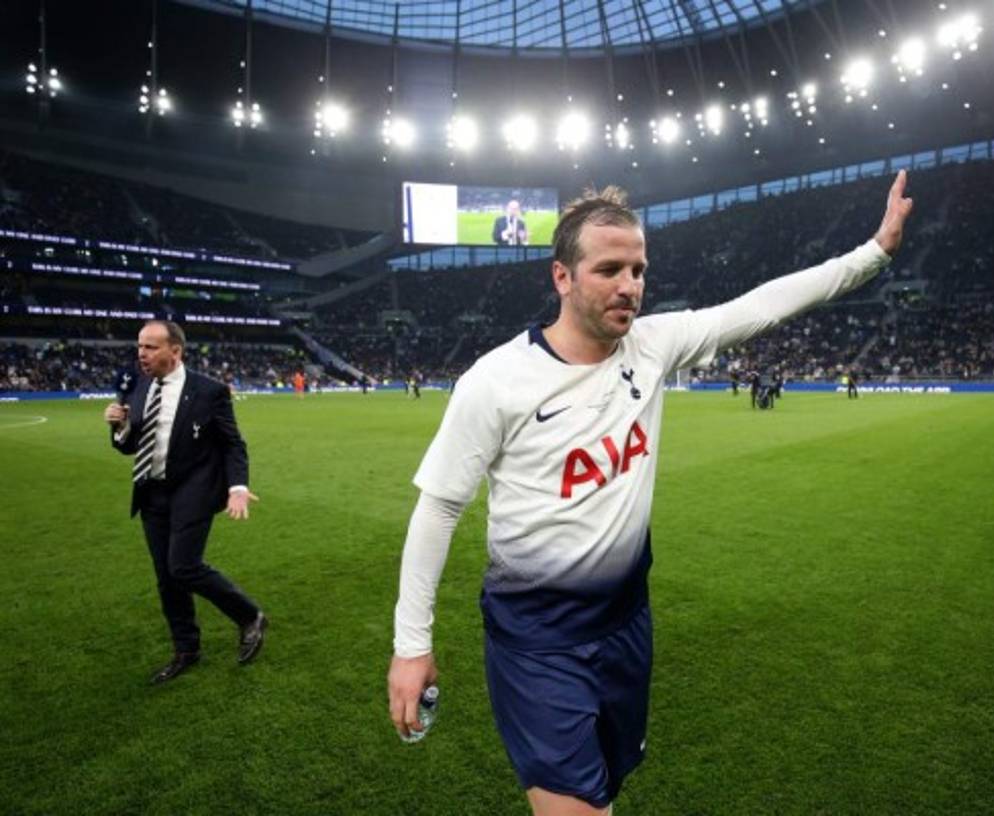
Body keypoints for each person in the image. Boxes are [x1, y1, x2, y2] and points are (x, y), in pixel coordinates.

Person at [387, 173, 913, 813]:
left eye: (638, 269)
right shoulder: (495, 382)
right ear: (562, 278)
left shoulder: (653, 346)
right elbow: (439, 507)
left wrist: (877, 250)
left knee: (607, 788)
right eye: (609, 269)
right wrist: (411, 646)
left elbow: (763, 304)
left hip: (627, 625)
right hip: (538, 642)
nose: (629, 286)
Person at [103, 321, 267, 684]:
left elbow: (232, 443)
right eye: (139, 346)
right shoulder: (138, 384)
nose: (141, 354)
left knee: (183, 566)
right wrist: (118, 426)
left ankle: (249, 615)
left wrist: (237, 486)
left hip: (193, 489)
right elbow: (129, 446)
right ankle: (186, 649)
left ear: (175, 350)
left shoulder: (208, 391)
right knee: (166, 577)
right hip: (151, 491)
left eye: (150, 347)